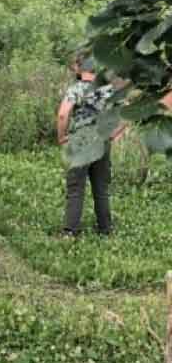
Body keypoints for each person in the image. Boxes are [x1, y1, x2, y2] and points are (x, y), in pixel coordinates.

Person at [57, 56, 122, 237]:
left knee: (76, 188)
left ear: (79, 67)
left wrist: (62, 136)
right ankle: (105, 229)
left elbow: (63, 114)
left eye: (74, 65)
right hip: (101, 141)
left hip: (79, 142)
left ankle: (70, 231)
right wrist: (114, 134)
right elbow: (125, 113)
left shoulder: (76, 88)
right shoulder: (109, 90)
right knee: (101, 188)